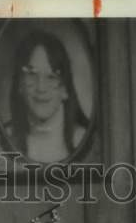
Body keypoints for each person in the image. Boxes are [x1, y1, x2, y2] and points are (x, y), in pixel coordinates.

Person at [5, 29, 90, 164]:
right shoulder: (3, 140)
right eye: (32, 75)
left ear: (65, 89)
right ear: (19, 85)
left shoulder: (86, 141)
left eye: (51, 77)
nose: (41, 87)